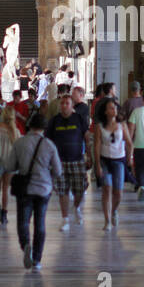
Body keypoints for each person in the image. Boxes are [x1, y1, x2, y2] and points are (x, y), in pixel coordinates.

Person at [2, 113, 62, 271]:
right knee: (40, 222)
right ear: (44, 128)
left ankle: (25, 245)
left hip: (25, 189)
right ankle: (37, 259)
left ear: (29, 125)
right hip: (43, 189)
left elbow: (9, 166)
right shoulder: (49, 144)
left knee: (23, 221)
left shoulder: (19, 143)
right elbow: (58, 170)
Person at [49, 93, 90, 230]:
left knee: (80, 189)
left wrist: (89, 156)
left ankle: (76, 207)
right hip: (60, 161)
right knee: (62, 190)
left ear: (72, 106)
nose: (64, 106)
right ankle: (65, 219)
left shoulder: (78, 119)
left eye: (67, 103)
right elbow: (48, 141)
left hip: (77, 160)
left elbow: (86, 137)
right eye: (62, 103)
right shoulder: (54, 121)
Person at [94, 98, 132, 229]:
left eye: (115, 107)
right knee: (107, 189)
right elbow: (97, 146)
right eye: (110, 108)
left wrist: (129, 157)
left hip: (119, 160)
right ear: (105, 111)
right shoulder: (99, 127)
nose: (114, 110)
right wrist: (97, 164)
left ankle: (114, 210)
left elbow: (129, 142)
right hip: (104, 160)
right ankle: (107, 221)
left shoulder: (122, 125)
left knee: (118, 192)